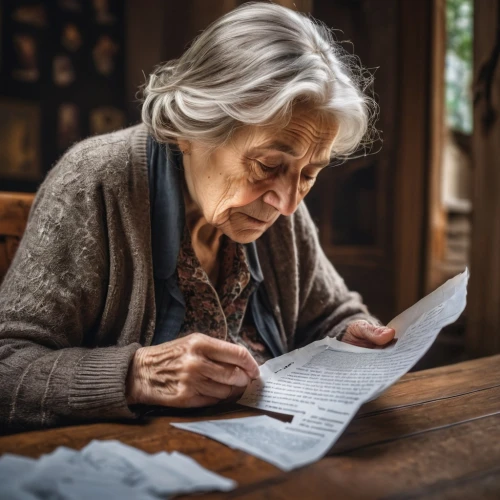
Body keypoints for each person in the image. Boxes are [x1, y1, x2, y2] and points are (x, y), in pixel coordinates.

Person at [0, 2, 395, 432]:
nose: (287, 205)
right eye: (267, 166)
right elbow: (8, 365)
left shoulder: (280, 208)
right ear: (190, 128)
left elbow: (332, 313)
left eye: (310, 174)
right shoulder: (95, 183)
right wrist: (135, 376)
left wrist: (349, 338)